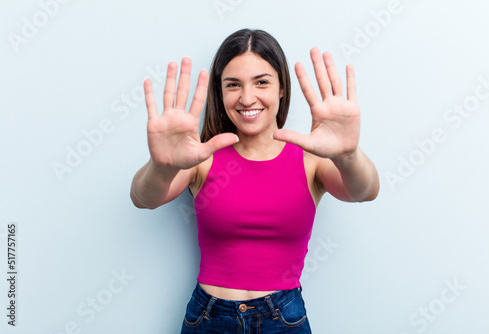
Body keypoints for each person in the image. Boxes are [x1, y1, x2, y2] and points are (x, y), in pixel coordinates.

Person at [130, 28, 379, 333]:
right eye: (233, 85)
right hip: (209, 318)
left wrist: (349, 154)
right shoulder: (202, 156)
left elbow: (364, 191)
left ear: (281, 88)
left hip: (283, 319)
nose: (247, 98)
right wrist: (161, 166)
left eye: (261, 82)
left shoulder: (311, 159)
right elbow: (144, 198)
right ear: (220, 93)